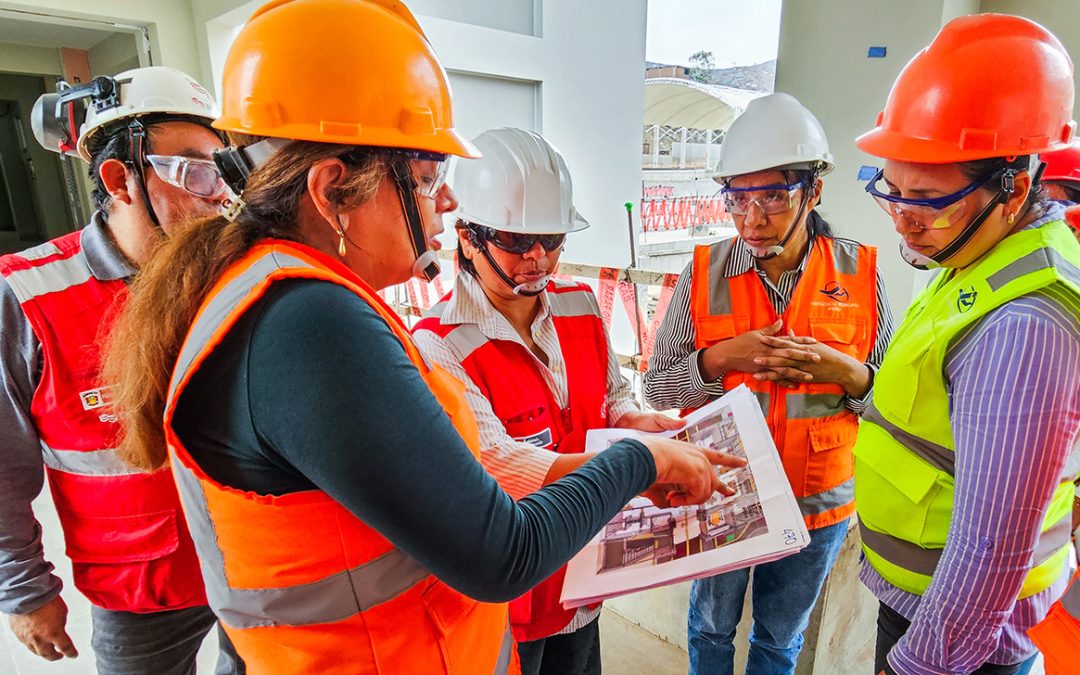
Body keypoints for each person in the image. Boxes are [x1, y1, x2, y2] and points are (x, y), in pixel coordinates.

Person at [99, 2, 743, 673]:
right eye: (429, 178)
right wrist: (642, 459)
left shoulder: (276, 296)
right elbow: (503, 551)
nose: (447, 203)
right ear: (334, 190)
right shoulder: (312, 325)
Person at [853, 13, 1080, 675]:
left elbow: (990, 551)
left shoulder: (1027, 326)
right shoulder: (975, 258)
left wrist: (916, 665)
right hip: (922, 610)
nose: (903, 217)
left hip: (955, 647)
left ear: (1013, 186)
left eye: (927, 197)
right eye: (891, 189)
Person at [414, 127, 686, 675]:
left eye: (553, 239)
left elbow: (612, 397)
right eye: (516, 241)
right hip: (512, 596)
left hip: (586, 570)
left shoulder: (581, 305)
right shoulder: (438, 343)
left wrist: (634, 420)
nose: (537, 258)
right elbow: (497, 465)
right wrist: (636, 465)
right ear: (468, 238)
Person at [0, 66, 244, 674]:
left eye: (224, 170)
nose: (219, 192)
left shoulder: (236, 277)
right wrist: (26, 590)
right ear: (120, 179)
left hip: (253, 563)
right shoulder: (28, 296)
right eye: (194, 171)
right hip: (139, 587)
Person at [644, 92, 894, 674]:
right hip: (724, 494)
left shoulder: (859, 274)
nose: (753, 219)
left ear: (813, 192)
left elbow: (889, 405)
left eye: (774, 197)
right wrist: (719, 358)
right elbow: (659, 390)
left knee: (781, 639)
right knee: (709, 628)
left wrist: (849, 374)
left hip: (817, 503)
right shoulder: (701, 274)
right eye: (738, 198)